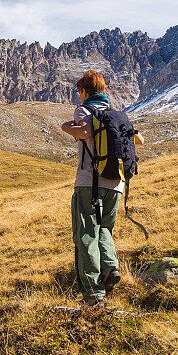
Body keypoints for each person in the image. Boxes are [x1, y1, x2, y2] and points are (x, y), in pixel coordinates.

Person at [60, 69, 144, 307]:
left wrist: (66, 127)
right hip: (117, 183)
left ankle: (94, 296)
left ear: (85, 90)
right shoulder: (117, 115)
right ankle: (110, 267)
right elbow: (140, 140)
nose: (78, 95)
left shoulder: (84, 109)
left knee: (86, 235)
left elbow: (84, 131)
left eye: (79, 91)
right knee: (104, 228)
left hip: (90, 182)